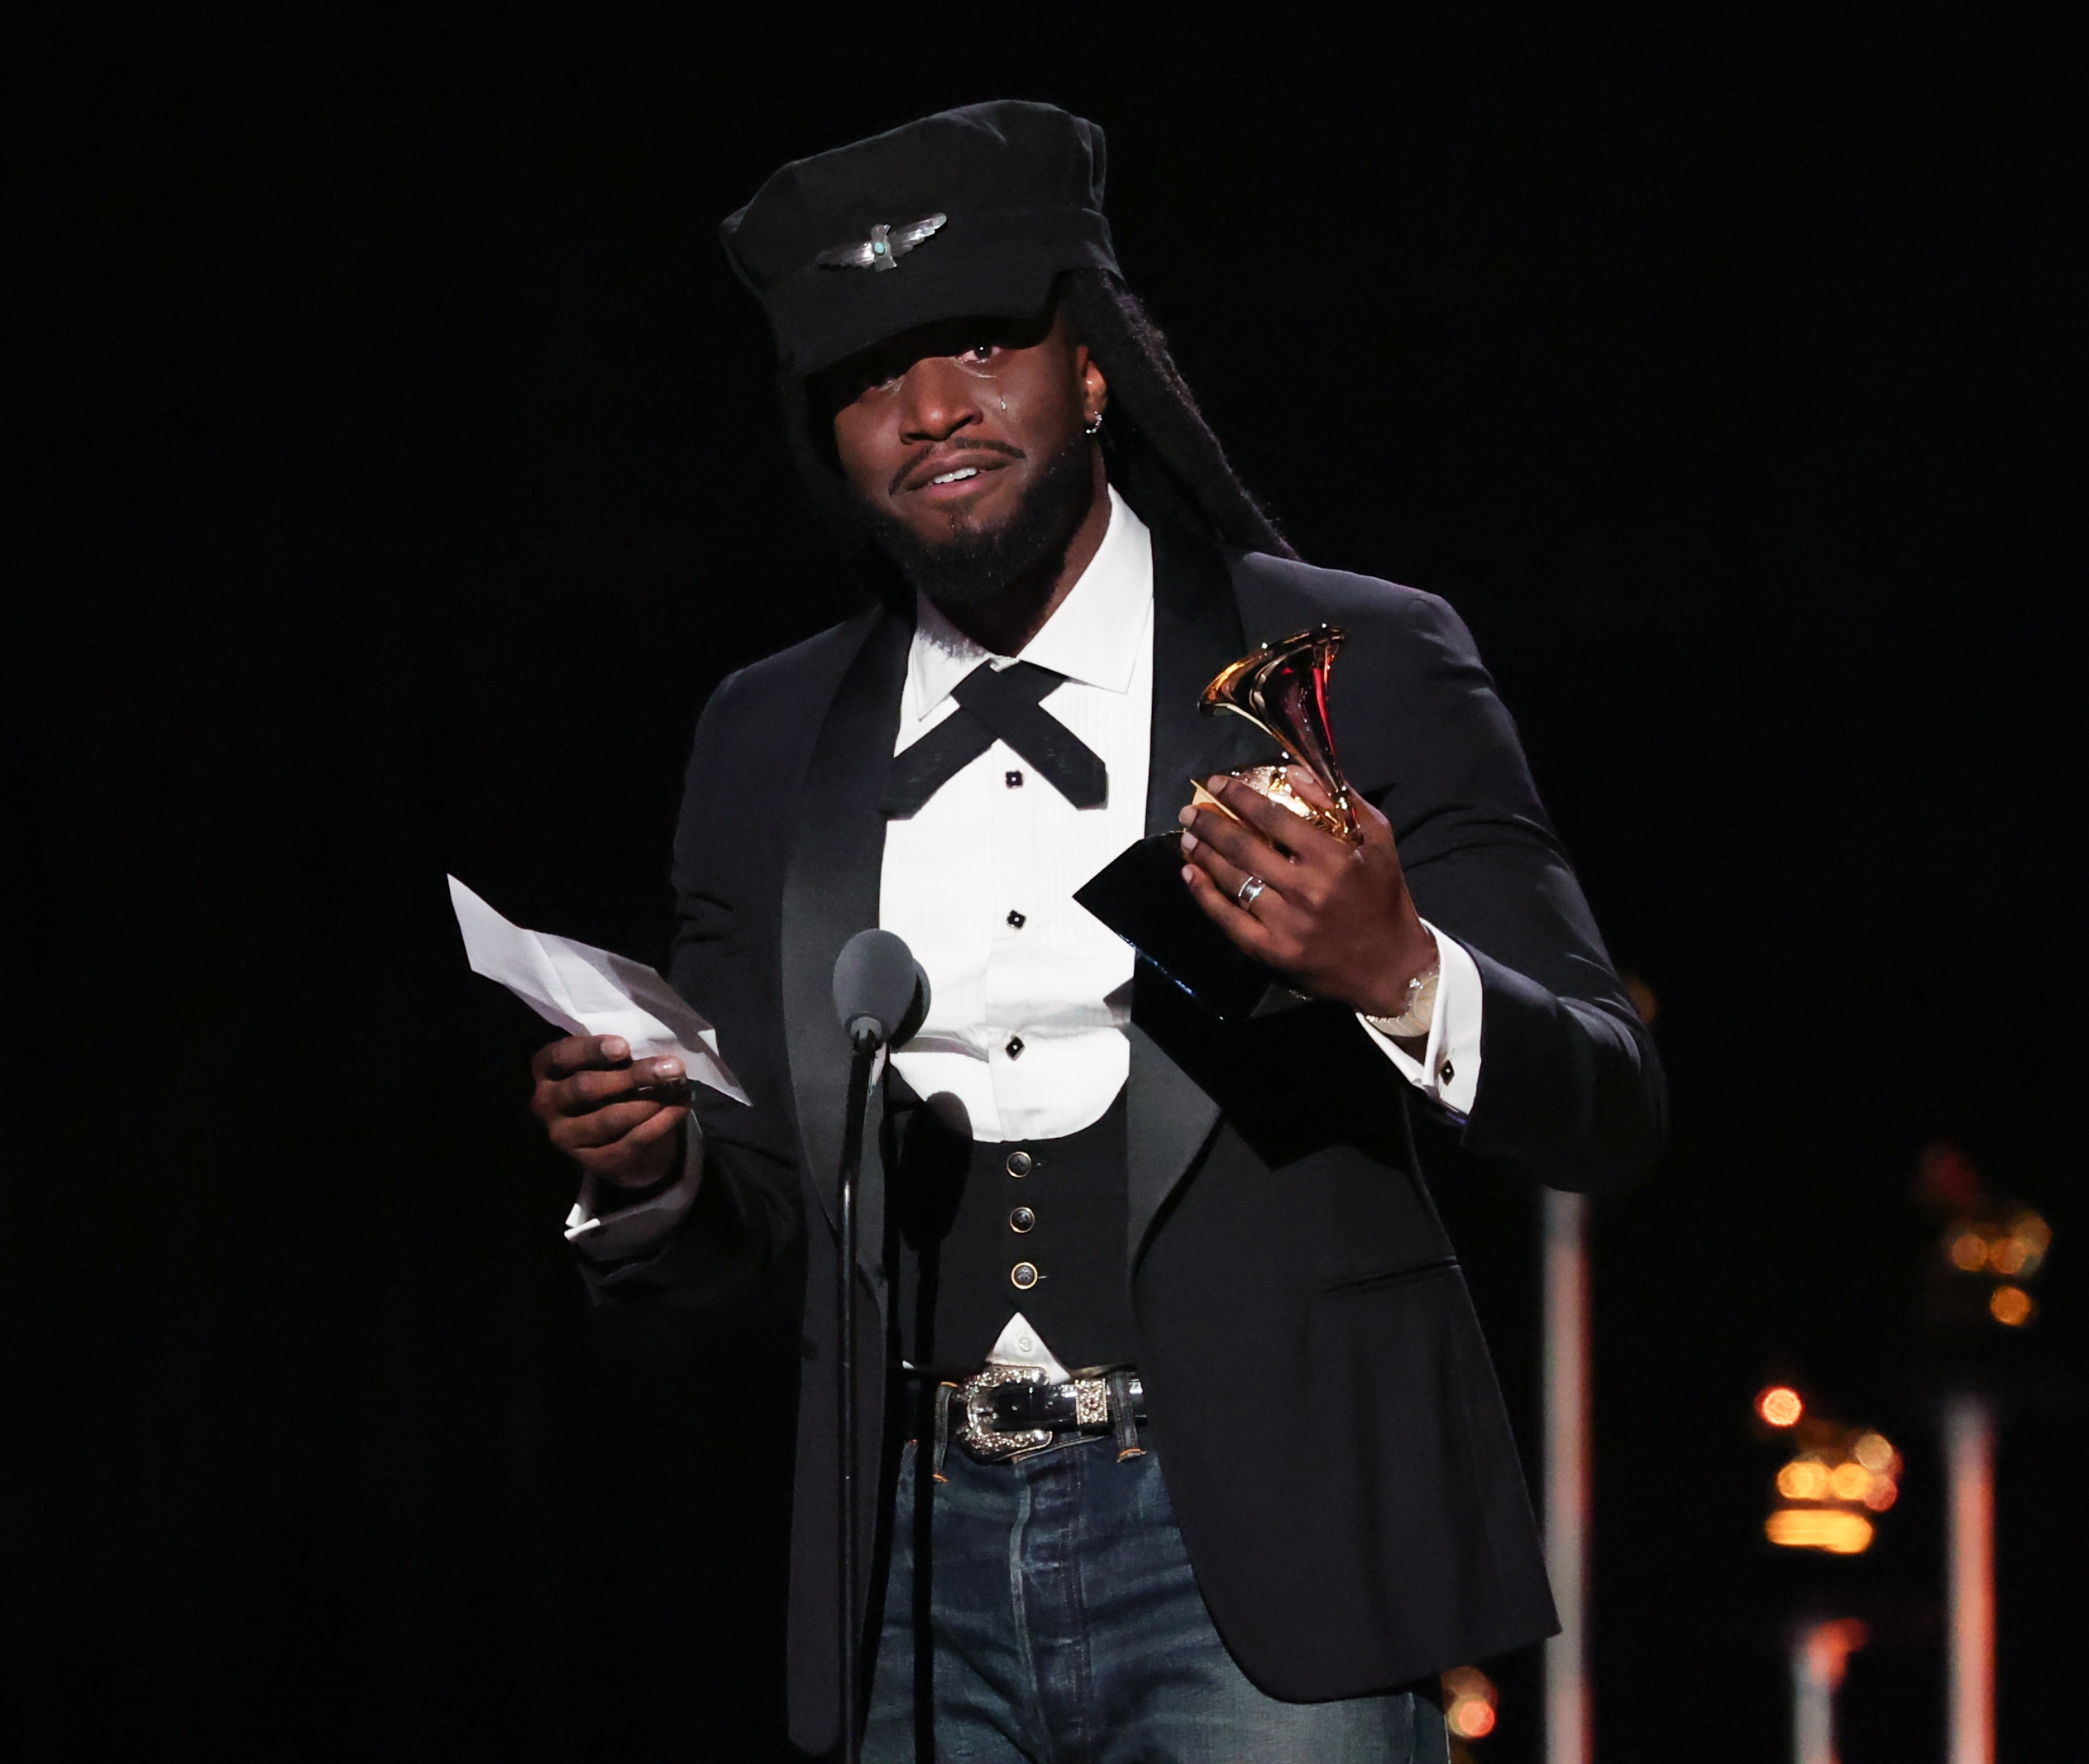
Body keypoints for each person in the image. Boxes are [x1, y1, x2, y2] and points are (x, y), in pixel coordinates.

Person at [528, 100, 1664, 1762]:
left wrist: (1396, 970)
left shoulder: (1357, 659)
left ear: (1091, 364)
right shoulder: (763, 739)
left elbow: (1608, 1100)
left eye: (980, 342)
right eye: (865, 376)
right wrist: (648, 1169)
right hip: (908, 1580)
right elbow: (750, 1198)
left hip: (1261, 1561)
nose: (928, 409)